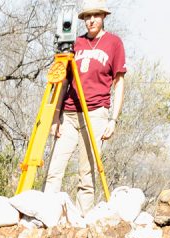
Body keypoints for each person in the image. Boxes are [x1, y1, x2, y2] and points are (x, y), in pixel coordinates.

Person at [44, 4, 127, 212]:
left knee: (86, 175)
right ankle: (47, 217)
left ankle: (82, 223)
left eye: (95, 16)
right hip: (70, 114)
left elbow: (119, 82)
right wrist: (55, 117)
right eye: (87, 16)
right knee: (54, 169)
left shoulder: (113, 43)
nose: (91, 20)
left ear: (103, 17)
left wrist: (113, 119)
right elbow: (63, 81)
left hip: (96, 114)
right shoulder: (76, 43)